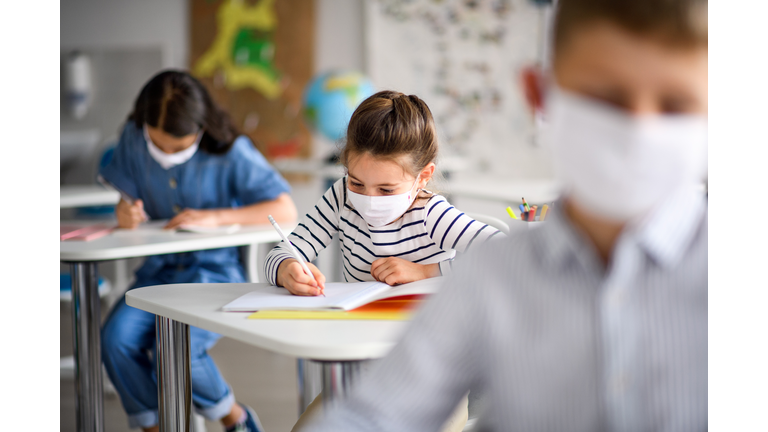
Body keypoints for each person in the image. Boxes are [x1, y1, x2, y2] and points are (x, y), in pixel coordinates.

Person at [299, 0, 708, 430]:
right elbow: (377, 415)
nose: (638, 130)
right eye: (604, 98)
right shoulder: (490, 278)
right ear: (539, 94)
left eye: (676, 104)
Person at [263, 90, 504, 432]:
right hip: (362, 371)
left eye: (386, 190)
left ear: (422, 176)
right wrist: (288, 269)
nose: (368, 198)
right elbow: (285, 250)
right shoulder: (340, 197)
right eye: (357, 182)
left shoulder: (430, 214)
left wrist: (426, 271)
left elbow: (504, 257)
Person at [99, 70, 297, 432]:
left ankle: (235, 419)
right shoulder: (131, 138)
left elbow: (285, 209)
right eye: (158, 145)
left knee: (176, 350)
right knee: (115, 340)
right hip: (157, 275)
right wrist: (124, 212)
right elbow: (125, 198)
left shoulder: (231, 151)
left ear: (201, 127)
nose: (167, 155)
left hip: (215, 274)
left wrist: (217, 216)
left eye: (179, 147)